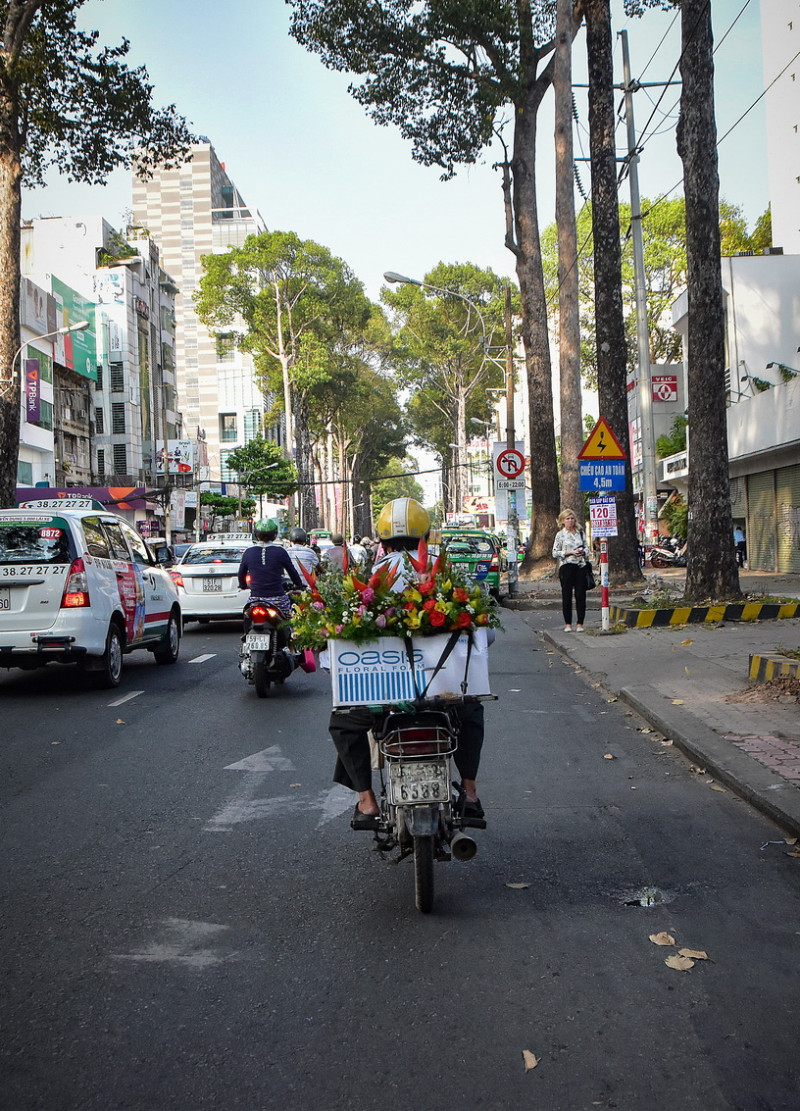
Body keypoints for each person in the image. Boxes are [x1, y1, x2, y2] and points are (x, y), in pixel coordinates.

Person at [328, 497, 486, 829]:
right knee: (470, 710)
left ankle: (367, 802)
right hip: (441, 690)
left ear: (382, 541)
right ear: (425, 536)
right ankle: (469, 794)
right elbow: (483, 637)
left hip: (383, 696)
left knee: (343, 723)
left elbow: (340, 647)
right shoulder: (448, 575)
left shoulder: (369, 577)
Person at [238, 519, 303, 646]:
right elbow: (292, 571)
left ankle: (246, 637)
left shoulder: (248, 552)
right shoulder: (280, 551)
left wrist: (243, 585)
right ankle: (293, 647)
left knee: (246, 616)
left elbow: (241, 573)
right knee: (291, 624)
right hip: (278, 599)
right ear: (275, 534)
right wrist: (299, 584)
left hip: (255, 599)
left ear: (256, 533)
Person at [552, 508, 589, 632]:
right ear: (563, 521)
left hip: (580, 565)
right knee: (567, 595)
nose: (570, 521)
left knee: (580, 595)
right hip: (567, 566)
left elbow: (587, 547)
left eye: (572, 518)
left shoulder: (580, 532)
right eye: (567, 518)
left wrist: (583, 552)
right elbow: (555, 552)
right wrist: (569, 552)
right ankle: (568, 623)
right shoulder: (560, 535)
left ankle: (580, 623)